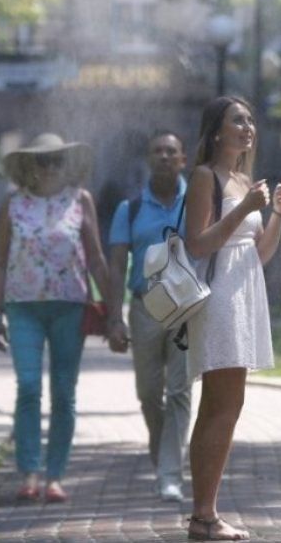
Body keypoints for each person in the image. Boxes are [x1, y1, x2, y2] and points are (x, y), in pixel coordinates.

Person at [182, 96, 281, 540]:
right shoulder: (204, 177)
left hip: (245, 292)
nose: (248, 127)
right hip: (221, 297)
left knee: (223, 405)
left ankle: (204, 513)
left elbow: (260, 253)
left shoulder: (244, 180)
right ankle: (204, 515)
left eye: (250, 119)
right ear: (216, 132)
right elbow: (197, 244)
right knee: (222, 405)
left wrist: (277, 214)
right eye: (237, 120)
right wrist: (247, 208)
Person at [0, 133, 112, 504]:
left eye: (57, 160)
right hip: (22, 305)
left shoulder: (80, 200)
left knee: (63, 392)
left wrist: (114, 311)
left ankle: (54, 476)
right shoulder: (13, 204)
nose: (51, 166)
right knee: (28, 386)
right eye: (43, 160)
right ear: (30, 165)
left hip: (69, 305)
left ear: (67, 164)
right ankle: (29, 472)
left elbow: (96, 258)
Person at [105, 129, 194, 503]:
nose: (164, 156)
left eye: (171, 151)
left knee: (180, 391)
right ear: (148, 159)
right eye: (157, 151)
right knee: (148, 393)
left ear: (183, 160)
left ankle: (170, 474)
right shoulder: (130, 209)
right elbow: (116, 264)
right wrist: (114, 318)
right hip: (144, 307)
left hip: (185, 307)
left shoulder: (197, 202)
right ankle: (163, 455)